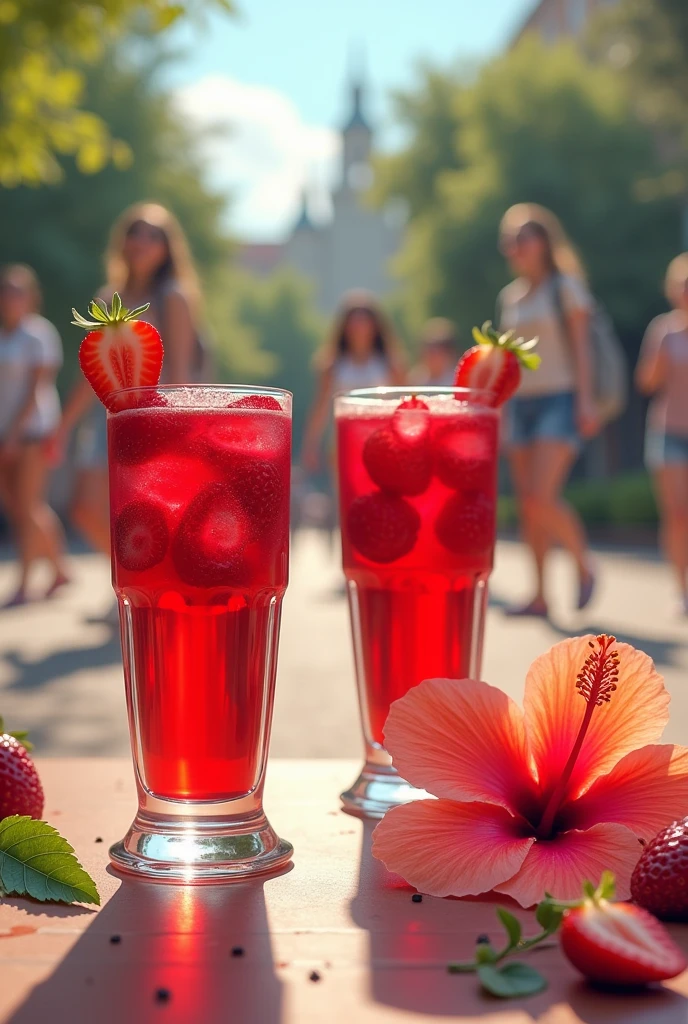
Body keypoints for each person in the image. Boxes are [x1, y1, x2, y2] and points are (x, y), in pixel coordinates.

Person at [53, 202, 206, 561]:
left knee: (144, 511)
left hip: (153, 418)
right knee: (84, 507)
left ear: (167, 248)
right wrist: (62, 428)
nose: (142, 240)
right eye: (135, 232)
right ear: (122, 242)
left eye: (153, 235)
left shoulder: (174, 296)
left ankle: (137, 588)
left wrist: (180, 432)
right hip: (106, 419)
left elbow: (181, 372)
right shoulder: (107, 297)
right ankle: (131, 575)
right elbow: (90, 373)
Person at [498, 203, 599, 618]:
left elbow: (582, 349)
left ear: (544, 242)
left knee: (542, 496)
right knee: (527, 503)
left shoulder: (566, 288)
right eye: (511, 240)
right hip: (520, 404)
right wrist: (501, 410)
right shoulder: (510, 298)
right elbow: (506, 361)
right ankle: (539, 594)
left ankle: (583, 564)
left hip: (560, 399)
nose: (516, 246)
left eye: (524, 237)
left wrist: (586, 400)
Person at [0, 264, 69, 605]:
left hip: (32, 431)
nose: (10, 297)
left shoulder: (38, 333)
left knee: (27, 506)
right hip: (4, 433)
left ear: (30, 296)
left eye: (17, 290)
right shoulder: (4, 335)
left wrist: (13, 435)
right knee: (20, 507)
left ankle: (24, 583)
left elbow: (35, 388)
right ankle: (60, 569)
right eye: (6, 290)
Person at [636, 253, 688, 615]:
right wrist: (662, 356)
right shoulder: (663, 329)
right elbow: (646, 382)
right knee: (677, 514)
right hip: (668, 432)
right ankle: (682, 588)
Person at [302, 292, 405, 472]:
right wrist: (311, 444)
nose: (359, 327)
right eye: (354, 321)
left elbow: (404, 403)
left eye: (364, 321)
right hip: (344, 441)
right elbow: (321, 405)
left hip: (382, 440)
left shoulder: (390, 364)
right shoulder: (332, 365)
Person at [409, 318, 459, 387]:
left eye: (435, 352)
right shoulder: (416, 379)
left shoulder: (457, 381)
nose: (430, 356)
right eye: (428, 349)